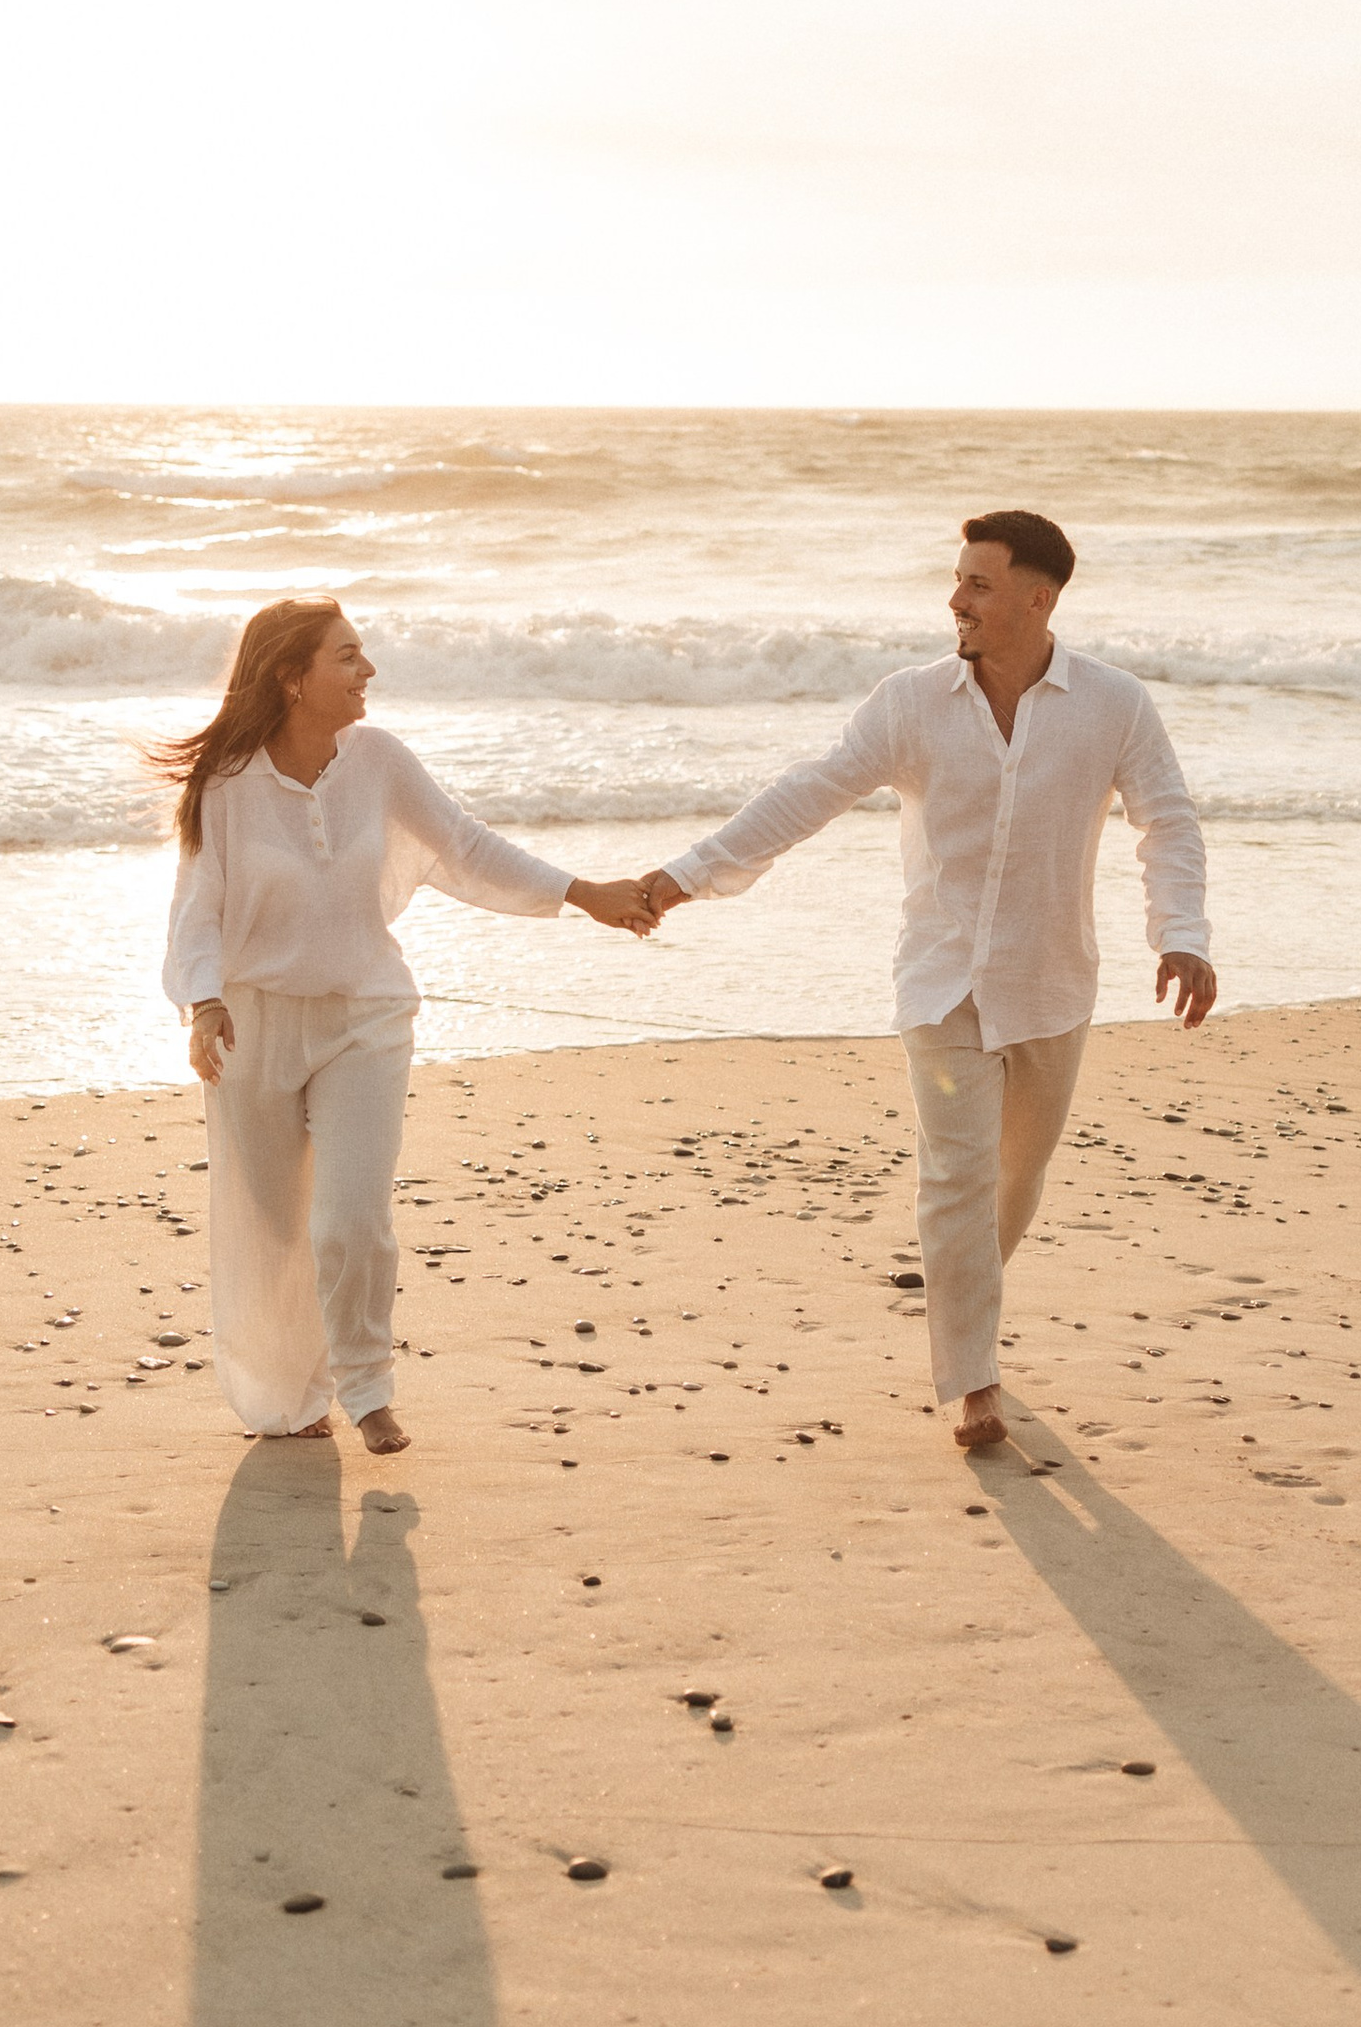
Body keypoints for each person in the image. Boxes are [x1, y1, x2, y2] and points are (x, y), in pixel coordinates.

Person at [637, 509, 1214, 1454]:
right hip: (941, 981)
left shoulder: (1115, 706)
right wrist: (686, 876)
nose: (956, 601)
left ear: (1040, 597)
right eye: (957, 581)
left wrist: (1181, 934)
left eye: (979, 585)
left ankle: (968, 1305)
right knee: (954, 1176)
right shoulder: (910, 702)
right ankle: (973, 1382)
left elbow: (1169, 822)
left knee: (1014, 1183)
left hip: (1051, 983)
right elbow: (809, 791)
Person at [158, 597, 656, 1454]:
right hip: (256, 1026)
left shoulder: (379, 760)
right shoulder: (228, 786)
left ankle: (366, 1384)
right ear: (292, 676)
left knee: (350, 1218)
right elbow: (197, 910)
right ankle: (286, 1395)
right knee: (272, 1229)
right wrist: (203, 1003)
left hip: (366, 1017)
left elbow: (466, 846)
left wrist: (585, 895)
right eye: (347, 657)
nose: (368, 672)